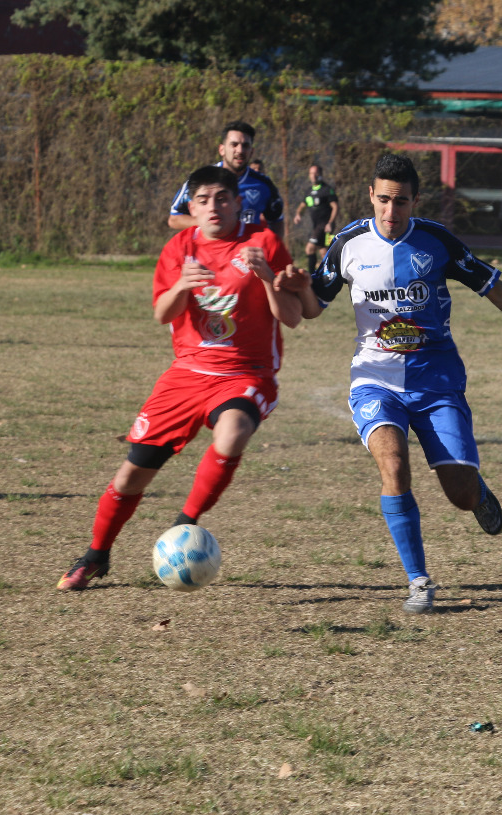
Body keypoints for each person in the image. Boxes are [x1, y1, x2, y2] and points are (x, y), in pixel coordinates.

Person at [305, 153, 502, 614]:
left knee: (458, 493)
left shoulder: (436, 241)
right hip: (374, 380)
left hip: (436, 382)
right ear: (371, 197)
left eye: (400, 202)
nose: (390, 212)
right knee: (394, 465)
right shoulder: (348, 243)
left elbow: (495, 288)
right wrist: (287, 285)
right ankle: (418, 580)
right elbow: (312, 303)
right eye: (382, 200)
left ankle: (477, 493)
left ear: (415, 200)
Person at [59, 166, 315, 591]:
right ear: (191, 207)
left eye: (222, 198)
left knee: (231, 434)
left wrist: (268, 277)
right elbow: (163, 314)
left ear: (237, 202)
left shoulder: (263, 242)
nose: (213, 207)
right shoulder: (180, 246)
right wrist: (181, 285)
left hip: (245, 374)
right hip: (186, 376)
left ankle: (185, 526)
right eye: (203, 200)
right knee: (129, 479)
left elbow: (291, 318)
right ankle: (96, 555)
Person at [167, 121, 285, 240]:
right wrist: (213, 223)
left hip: (247, 255)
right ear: (222, 149)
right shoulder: (201, 179)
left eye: (245, 145)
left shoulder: (263, 184)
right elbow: (175, 219)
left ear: (252, 151)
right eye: (234, 144)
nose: (240, 150)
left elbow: (277, 221)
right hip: (210, 254)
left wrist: (270, 250)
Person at [294, 164, 339, 274]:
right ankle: (329, 276)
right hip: (316, 226)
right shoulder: (309, 191)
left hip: (324, 226)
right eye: (311, 173)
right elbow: (302, 206)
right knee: (324, 252)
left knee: (309, 249)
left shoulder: (326, 190)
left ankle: (311, 277)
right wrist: (298, 214)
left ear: (320, 174)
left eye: (316, 173)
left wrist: (330, 222)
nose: (313, 176)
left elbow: (335, 207)